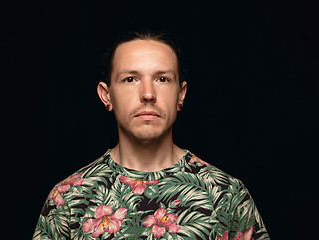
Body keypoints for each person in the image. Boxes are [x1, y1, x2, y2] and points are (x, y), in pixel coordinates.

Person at [33, 30, 270, 240]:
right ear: (107, 96)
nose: (148, 94)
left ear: (181, 94)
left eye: (162, 79)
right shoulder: (68, 199)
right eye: (130, 79)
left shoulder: (226, 194)